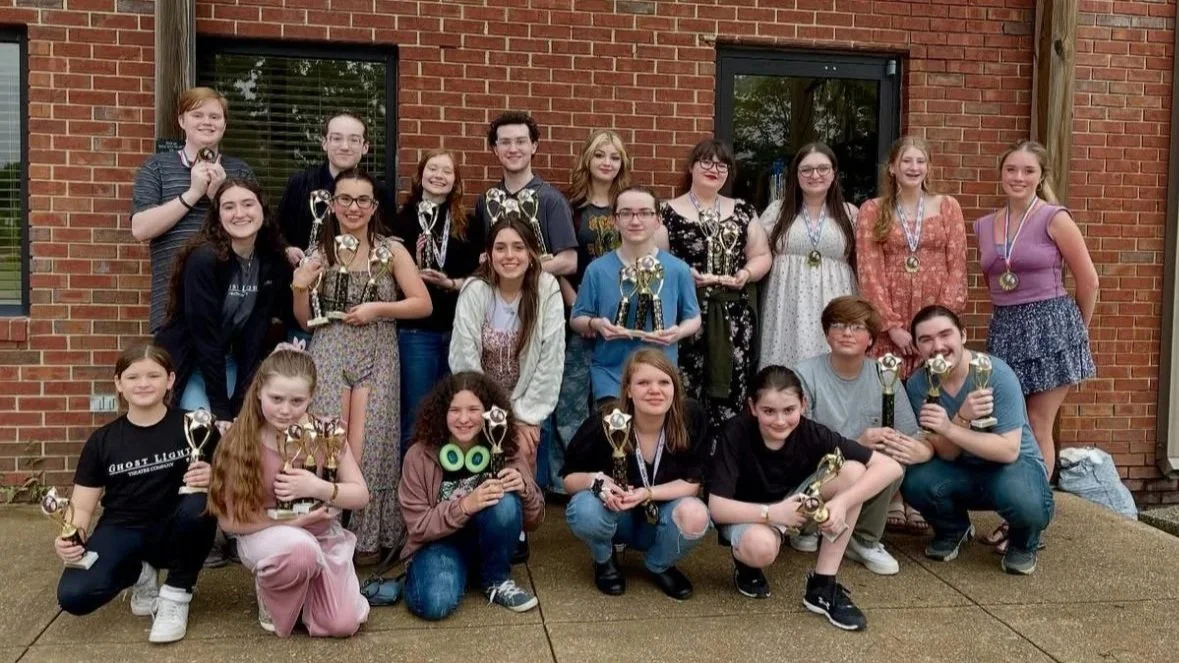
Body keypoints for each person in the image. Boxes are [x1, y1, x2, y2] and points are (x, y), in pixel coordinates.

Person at [291, 168, 432, 564]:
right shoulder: (320, 253)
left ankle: (369, 539)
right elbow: (304, 320)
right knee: (327, 446)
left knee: (370, 446)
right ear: (332, 205)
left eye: (362, 200)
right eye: (345, 199)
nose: (353, 207)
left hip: (378, 351)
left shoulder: (392, 251)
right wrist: (300, 284)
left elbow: (423, 303)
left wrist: (377, 309)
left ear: (373, 207)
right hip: (330, 351)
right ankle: (323, 534)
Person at [709, 366, 902, 631]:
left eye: (789, 410)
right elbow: (717, 508)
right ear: (752, 407)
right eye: (769, 411)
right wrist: (773, 513)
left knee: (853, 472)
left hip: (795, 503)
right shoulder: (735, 433)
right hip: (751, 512)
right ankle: (746, 566)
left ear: (803, 404)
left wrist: (841, 503)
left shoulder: (812, 432)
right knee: (759, 548)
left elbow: (890, 467)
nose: (780, 420)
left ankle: (823, 586)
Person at [54, 345, 219, 643]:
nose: (143, 384)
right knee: (73, 596)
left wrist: (216, 477)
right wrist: (69, 536)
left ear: (170, 380)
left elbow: (235, 483)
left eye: (153, 375)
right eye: (133, 377)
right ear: (119, 384)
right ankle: (139, 573)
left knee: (201, 502)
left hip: (176, 528)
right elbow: (81, 506)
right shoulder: (102, 441)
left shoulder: (195, 426)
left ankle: (177, 593)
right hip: (123, 528)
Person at [208, 347, 371, 637]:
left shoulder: (325, 432)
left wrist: (318, 487)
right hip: (267, 538)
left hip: (323, 538)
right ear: (259, 392)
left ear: (311, 397)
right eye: (277, 399)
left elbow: (360, 495)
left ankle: (305, 593)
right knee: (299, 550)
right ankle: (272, 592)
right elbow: (229, 522)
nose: (286, 410)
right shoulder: (240, 439)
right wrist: (290, 523)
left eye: (297, 401)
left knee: (342, 624)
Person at [974, 140, 1098, 482]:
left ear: (1041, 176)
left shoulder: (1054, 218)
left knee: (1038, 422)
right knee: (1010, 422)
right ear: (1000, 174)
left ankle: (1033, 512)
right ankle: (1016, 503)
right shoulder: (984, 226)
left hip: (1051, 326)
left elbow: (1088, 281)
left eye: (1028, 170)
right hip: (1006, 327)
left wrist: (1076, 332)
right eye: (1011, 169)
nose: (1018, 177)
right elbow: (992, 281)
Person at [902, 305, 1054, 575]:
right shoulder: (918, 385)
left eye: (945, 334)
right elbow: (946, 454)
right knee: (915, 479)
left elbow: (1008, 450)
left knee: (1025, 501)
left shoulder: (996, 374)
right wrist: (960, 419)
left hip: (1012, 469)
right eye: (926, 339)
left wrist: (951, 425)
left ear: (962, 335)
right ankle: (953, 530)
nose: (937, 346)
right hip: (961, 469)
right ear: (916, 346)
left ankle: (1023, 542)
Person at [561, 349, 712, 599]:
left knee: (696, 513)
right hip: (617, 518)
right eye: (643, 383)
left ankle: (659, 564)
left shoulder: (691, 418)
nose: (655, 390)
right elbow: (568, 479)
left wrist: (647, 493)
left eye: (664, 382)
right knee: (584, 507)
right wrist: (596, 481)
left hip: (662, 521)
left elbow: (692, 483)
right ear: (628, 390)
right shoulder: (606, 422)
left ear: (675, 387)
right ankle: (604, 560)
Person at [792, 296, 924, 575]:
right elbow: (798, 444)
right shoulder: (804, 374)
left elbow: (909, 433)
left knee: (892, 458)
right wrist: (856, 445)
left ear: (871, 338)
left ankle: (863, 539)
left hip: (863, 474)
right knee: (852, 466)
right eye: (837, 325)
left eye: (857, 327)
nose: (847, 333)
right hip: (814, 473)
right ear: (827, 334)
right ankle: (808, 526)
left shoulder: (885, 375)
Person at [399, 372, 545, 620]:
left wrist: (525, 489)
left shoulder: (506, 448)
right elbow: (418, 526)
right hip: (438, 544)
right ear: (442, 413)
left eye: (473, 410)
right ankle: (450, 572)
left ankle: (496, 578)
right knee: (434, 603)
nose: (464, 419)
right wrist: (465, 505)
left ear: (487, 412)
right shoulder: (419, 456)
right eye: (454, 410)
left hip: (486, 539)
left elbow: (535, 520)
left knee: (506, 504)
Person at [154, 178, 292, 421]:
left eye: (248, 204)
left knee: (246, 427)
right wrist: (222, 410)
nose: (239, 213)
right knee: (206, 430)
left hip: (231, 363)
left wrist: (240, 401)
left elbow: (256, 333)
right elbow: (205, 338)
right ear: (218, 216)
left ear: (263, 209)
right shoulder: (204, 261)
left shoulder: (270, 262)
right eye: (229, 207)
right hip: (192, 361)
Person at [658, 139, 771, 427]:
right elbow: (656, 259)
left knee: (731, 391)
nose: (714, 169)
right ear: (691, 166)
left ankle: (724, 462)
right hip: (685, 314)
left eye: (722, 165)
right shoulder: (666, 211)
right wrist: (684, 275)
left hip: (732, 318)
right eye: (706, 162)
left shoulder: (743, 210)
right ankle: (687, 460)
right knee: (685, 389)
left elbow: (761, 255)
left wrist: (745, 274)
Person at [548, 130, 633, 495]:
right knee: (570, 400)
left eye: (614, 157)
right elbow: (564, 263)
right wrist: (576, 309)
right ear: (588, 159)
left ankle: (609, 470)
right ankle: (566, 477)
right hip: (579, 320)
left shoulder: (629, 206)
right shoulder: (571, 207)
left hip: (621, 322)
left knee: (612, 401)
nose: (607, 163)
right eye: (600, 155)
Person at [132, 87, 255, 333]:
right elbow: (140, 229)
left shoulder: (241, 171)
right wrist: (193, 193)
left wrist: (217, 197)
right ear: (182, 121)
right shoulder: (156, 167)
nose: (206, 122)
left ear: (224, 124)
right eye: (197, 115)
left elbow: (255, 236)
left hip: (228, 307)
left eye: (214, 116)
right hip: (171, 308)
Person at [449, 217, 565, 465]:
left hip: (527, 404)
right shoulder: (474, 290)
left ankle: (527, 503)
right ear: (489, 255)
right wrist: (490, 413)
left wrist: (522, 417)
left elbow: (550, 363)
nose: (509, 255)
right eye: (500, 248)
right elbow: (463, 358)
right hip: (479, 403)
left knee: (522, 449)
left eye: (518, 247)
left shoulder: (547, 289)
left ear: (532, 253)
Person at [390, 149, 483, 458]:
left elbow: (478, 274)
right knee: (417, 414)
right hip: (416, 333)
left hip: (457, 331)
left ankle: (444, 486)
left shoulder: (467, 224)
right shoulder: (399, 220)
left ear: (455, 181)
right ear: (420, 175)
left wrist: (450, 283)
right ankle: (412, 493)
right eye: (432, 169)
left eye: (447, 171)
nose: (439, 175)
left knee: (453, 414)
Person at [570, 185, 701, 402]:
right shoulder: (597, 269)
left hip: (658, 380)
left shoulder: (678, 269)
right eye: (626, 213)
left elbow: (693, 317)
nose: (635, 220)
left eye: (644, 213)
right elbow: (577, 318)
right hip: (611, 377)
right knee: (615, 435)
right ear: (615, 220)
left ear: (658, 220)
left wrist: (678, 332)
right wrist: (596, 324)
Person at [855, 136, 967, 377]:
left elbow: (957, 268)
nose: (913, 167)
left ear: (928, 168)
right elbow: (869, 273)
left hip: (935, 310)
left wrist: (938, 326)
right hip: (891, 317)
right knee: (889, 394)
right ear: (893, 167)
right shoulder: (872, 210)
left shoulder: (948, 206)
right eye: (906, 161)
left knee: (935, 391)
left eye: (920, 161)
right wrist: (891, 326)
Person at [758, 143, 859, 369]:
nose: (815, 175)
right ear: (796, 174)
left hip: (836, 298)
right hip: (787, 302)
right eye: (806, 170)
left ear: (834, 173)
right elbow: (756, 253)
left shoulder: (851, 213)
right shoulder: (776, 211)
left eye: (823, 168)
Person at [473, 111, 578, 277]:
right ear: (495, 149)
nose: (513, 149)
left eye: (521, 141)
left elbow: (569, 261)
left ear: (534, 146)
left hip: (540, 299)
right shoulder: (486, 201)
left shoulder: (552, 200)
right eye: (505, 142)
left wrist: (519, 269)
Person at [276, 112, 395, 258]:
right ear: (325, 143)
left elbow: (388, 239)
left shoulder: (378, 191)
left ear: (365, 147)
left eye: (354, 140)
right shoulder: (299, 184)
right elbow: (278, 232)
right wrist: (286, 249)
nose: (345, 146)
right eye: (337, 138)